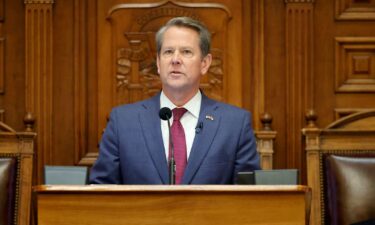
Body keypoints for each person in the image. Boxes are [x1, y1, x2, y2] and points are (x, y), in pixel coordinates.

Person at [89, 17, 260, 184]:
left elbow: (248, 199)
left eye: (186, 52)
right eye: (168, 51)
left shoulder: (235, 124)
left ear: (205, 63)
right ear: (158, 62)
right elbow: (102, 191)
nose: (175, 59)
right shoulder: (123, 122)